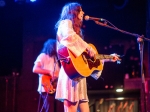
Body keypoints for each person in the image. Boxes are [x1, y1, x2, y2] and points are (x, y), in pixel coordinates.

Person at [54, 2, 119, 112]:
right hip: (70, 75)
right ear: (73, 12)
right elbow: (70, 37)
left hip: (79, 77)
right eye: (80, 10)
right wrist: (88, 48)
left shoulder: (79, 33)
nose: (83, 12)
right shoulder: (65, 23)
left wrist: (109, 58)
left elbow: (89, 61)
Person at [32, 39, 64, 112]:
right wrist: (49, 72)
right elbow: (35, 69)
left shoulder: (55, 58)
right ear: (51, 47)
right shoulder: (42, 56)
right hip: (46, 87)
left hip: (55, 87)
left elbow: (57, 72)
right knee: (50, 109)